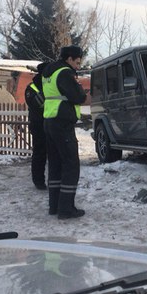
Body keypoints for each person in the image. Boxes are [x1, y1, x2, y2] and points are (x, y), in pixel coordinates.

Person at [42, 45, 87, 219]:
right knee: (70, 165)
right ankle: (66, 209)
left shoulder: (49, 72)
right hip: (62, 122)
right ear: (69, 59)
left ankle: (54, 206)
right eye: (76, 62)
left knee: (55, 165)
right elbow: (78, 97)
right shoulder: (65, 73)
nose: (78, 66)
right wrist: (81, 91)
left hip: (50, 121)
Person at [25, 62, 48, 190]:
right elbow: (37, 104)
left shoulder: (50, 85)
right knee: (40, 154)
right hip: (38, 125)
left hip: (51, 124)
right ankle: (38, 181)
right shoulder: (32, 87)